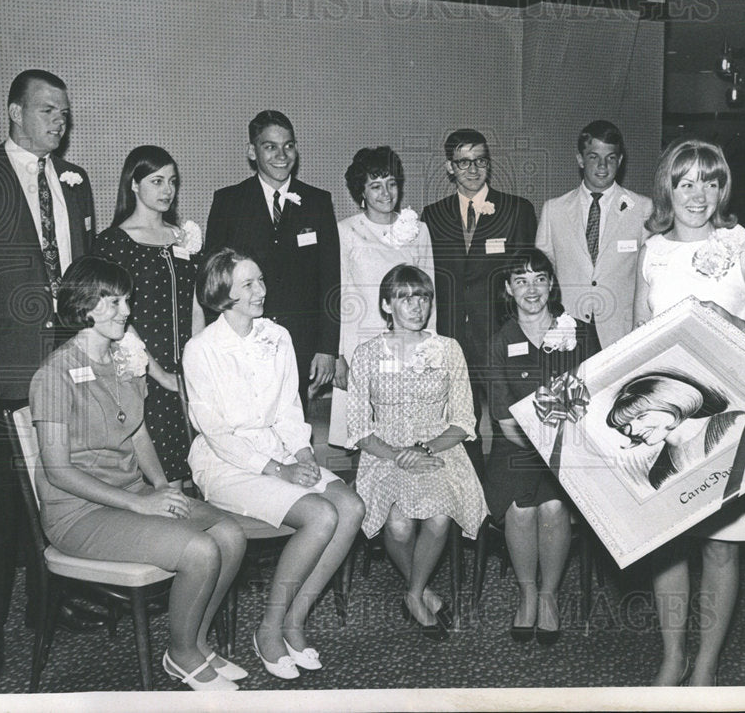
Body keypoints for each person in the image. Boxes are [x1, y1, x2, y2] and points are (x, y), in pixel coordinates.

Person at [28, 256, 247, 691]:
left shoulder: (124, 357)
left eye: (126, 300)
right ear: (83, 306)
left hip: (130, 494)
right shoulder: (53, 375)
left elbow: (138, 433)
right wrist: (141, 501)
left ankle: (194, 644)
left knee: (231, 534)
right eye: (112, 302)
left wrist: (163, 486)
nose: (126, 311)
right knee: (200, 550)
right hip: (78, 514)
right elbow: (57, 470)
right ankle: (182, 655)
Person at [629, 138, 745, 686]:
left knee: (720, 545)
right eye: (685, 181)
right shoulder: (653, 251)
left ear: (723, 187)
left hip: (730, 414)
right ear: (667, 186)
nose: (697, 194)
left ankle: (707, 664)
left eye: (709, 181)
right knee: (667, 544)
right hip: (668, 414)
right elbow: (636, 338)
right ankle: (672, 656)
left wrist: (729, 322)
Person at [183, 248, 365, 680]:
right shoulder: (201, 349)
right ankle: (267, 630)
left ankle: (293, 621)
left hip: (281, 449)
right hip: (226, 463)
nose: (261, 291)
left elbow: (288, 407)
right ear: (222, 293)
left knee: (352, 507)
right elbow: (217, 434)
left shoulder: (277, 337)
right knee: (321, 515)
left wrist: (302, 454)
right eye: (248, 284)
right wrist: (278, 470)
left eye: (261, 280)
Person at [0, 69, 99, 669]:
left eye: (64, 114)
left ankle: (47, 605)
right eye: (47, 111)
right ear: (13, 112)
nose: (58, 123)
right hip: (6, 364)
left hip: (64, 365)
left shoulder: (75, 183)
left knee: (58, 484)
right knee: (7, 505)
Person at [345, 264, 487, 640]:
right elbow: (359, 429)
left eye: (422, 296)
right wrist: (396, 454)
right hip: (383, 453)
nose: (416, 305)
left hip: (439, 448)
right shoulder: (366, 354)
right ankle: (422, 591)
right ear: (386, 305)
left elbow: (462, 420)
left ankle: (412, 593)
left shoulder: (448, 349)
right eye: (405, 297)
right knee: (398, 522)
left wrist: (422, 448)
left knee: (439, 515)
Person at [483, 248, 600, 644]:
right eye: (521, 280)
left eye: (539, 279)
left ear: (551, 284)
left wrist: (559, 452)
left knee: (552, 505)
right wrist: (539, 452)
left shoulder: (579, 332)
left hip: (570, 448)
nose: (531, 289)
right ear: (508, 289)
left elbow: (595, 399)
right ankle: (527, 593)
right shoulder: (500, 341)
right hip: (515, 448)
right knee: (519, 506)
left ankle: (549, 596)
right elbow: (501, 418)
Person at [422, 128, 537, 479]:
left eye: (480, 161)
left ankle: (509, 499)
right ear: (449, 167)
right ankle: (470, 514)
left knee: (513, 424)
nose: (473, 169)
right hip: (453, 338)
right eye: (463, 162)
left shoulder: (517, 210)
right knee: (461, 427)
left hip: (501, 337)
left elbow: (526, 279)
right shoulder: (432, 216)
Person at [205, 110, 340, 409]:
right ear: (252, 152)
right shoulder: (228, 201)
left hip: (301, 345)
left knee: (294, 428)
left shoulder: (317, 201)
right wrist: (221, 344)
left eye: (288, 146)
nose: (282, 155)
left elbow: (331, 279)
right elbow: (214, 280)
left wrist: (327, 348)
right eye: (270, 147)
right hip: (243, 339)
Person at [95, 146, 204, 483]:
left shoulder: (182, 237)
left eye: (172, 181)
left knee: (200, 472)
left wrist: (197, 365)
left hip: (187, 370)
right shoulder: (115, 242)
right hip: (142, 372)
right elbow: (119, 319)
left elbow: (196, 304)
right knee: (166, 480)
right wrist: (161, 375)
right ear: (134, 184)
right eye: (157, 181)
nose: (167, 190)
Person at [328, 146, 435, 450]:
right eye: (375, 185)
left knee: (409, 433)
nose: (386, 193)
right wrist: (338, 355)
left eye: (391, 183)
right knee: (367, 436)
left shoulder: (418, 230)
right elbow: (336, 296)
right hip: (360, 346)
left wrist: (431, 348)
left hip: (410, 346)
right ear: (360, 191)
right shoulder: (344, 231)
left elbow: (430, 294)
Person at [536, 119, 653, 349]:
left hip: (622, 332)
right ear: (580, 159)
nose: (602, 166)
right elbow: (542, 275)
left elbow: (650, 278)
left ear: (620, 161)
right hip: (567, 331)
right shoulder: (554, 210)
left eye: (610, 158)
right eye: (593, 157)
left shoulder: (643, 209)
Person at [607, 372, 745, 495]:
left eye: (641, 416)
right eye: (625, 425)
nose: (634, 430)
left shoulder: (735, 423)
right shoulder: (658, 476)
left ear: (672, 403)